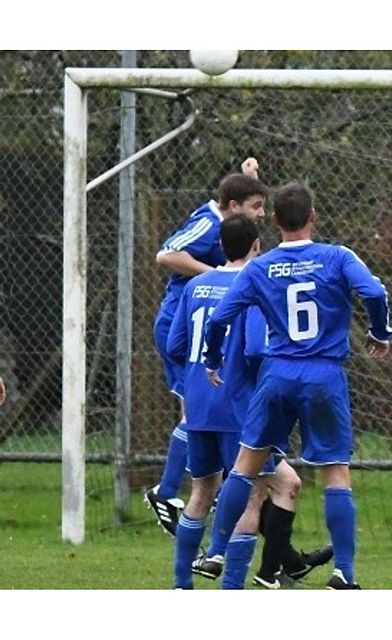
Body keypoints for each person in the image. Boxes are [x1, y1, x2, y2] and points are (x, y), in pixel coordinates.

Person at [202, 182, 392, 589]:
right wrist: (380, 331)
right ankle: (344, 573)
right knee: (335, 473)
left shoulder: (259, 268)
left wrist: (213, 358)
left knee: (244, 467)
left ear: (273, 220)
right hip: (324, 374)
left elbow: (219, 319)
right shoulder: (337, 257)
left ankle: (217, 552)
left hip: (277, 374)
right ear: (313, 216)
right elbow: (374, 291)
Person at [166, 215, 332, 589]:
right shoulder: (253, 286)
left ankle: (181, 584)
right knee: (252, 493)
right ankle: (233, 586)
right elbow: (255, 348)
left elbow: (175, 344)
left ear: (220, 246)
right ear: (257, 244)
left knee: (200, 492)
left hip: (198, 406)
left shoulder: (195, 285)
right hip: (238, 406)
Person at [144, 158, 268, 536]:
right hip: (182, 326)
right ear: (232, 206)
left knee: (202, 408)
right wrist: (214, 275)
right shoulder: (209, 222)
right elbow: (166, 253)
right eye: (256, 207)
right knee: (198, 409)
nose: (261, 215)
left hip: (203, 328)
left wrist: (249, 180)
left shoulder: (230, 221)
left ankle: (192, 493)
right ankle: (166, 492)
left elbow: (238, 201)